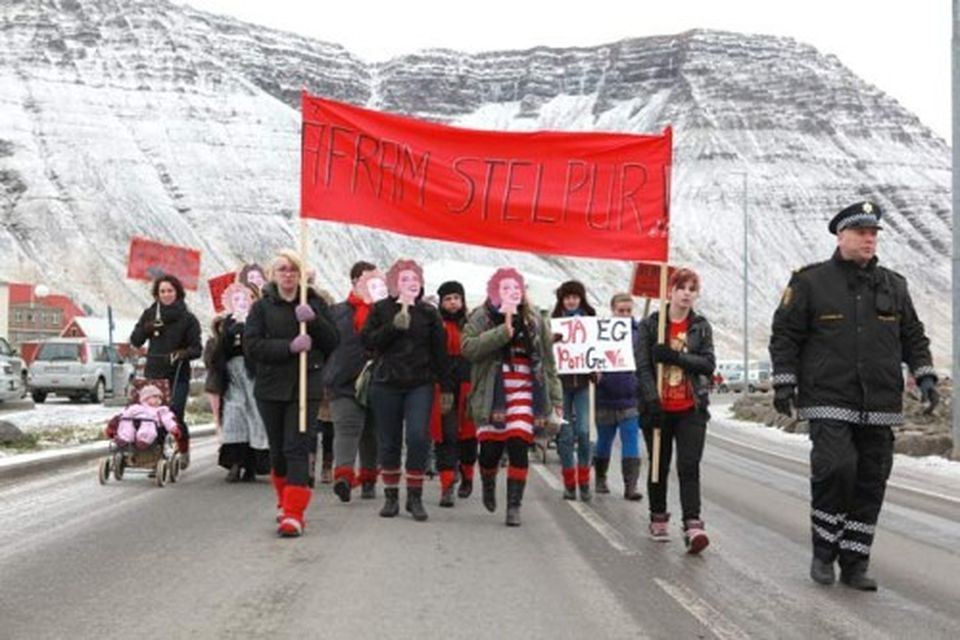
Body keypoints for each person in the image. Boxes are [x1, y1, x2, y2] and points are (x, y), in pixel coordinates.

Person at [769, 201, 938, 591]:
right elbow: (785, 335)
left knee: (870, 480)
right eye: (861, 232)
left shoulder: (894, 285)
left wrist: (924, 376)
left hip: (879, 403)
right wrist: (784, 382)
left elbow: (913, 336)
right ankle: (824, 552)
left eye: (874, 232)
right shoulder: (810, 282)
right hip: (829, 396)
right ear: (841, 235)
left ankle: (855, 561)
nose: (869, 238)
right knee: (836, 469)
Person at [244, 249, 339, 537]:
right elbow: (252, 346)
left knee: (297, 446)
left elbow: (333, 341)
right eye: (282, 269)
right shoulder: (261, 308)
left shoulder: (313, 302)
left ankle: (294, 514)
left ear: (300, 274)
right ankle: (284, 500)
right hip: (271, 387)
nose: (288, 274)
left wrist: (315, 321)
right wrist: (288, 347)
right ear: (273, 274)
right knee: (278, 451)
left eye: (293, 269)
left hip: (305, 385)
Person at [462, 267, 562, 526]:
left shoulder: (535, 320)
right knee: (490, 452)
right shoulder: (481, 316)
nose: (512, 293)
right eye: (505, 288)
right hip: (493, 392)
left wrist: (556, 400)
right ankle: (487, 479)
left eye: (516, 288)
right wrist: (501, 333)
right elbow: (468, 348)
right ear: (495, 291)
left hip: (526, 391)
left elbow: (549, 363)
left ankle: (514, 506)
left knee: (519, 445)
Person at [636, 267, 715, 554]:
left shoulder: (701, 326)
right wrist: (651, 399)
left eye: (692, 289)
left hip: (690, 406)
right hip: (657, 407)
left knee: (689, 465)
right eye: (682, 287)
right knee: (659, 463)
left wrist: (676, 357)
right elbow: (643, 366)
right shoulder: (650, 325)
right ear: (670, 290)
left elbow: (707, 364)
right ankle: (658, 516)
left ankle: (692, 523)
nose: (686, 294)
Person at [361, 259, 447, 522]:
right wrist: (392, 328)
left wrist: (445, 387)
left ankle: (415, 496)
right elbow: (367, 342)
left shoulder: (429, 314)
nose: (411, 284)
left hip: (419, 382)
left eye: (415, 279)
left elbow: (439, 352)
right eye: (404, 279)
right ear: (394, 283)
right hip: (386, 382)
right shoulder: (380, 309)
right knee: (389, 439)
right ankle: (390, 496)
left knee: (418, 436)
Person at [323, 262, 385, 503]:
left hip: (380, 380)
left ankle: (368, 479)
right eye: (368, 280)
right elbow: (325, 339)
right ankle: (344, 476)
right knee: (346, 428)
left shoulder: (387, 312)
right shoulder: (337, 312)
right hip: (344, 380)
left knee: (372, 432)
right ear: (355, 282)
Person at [130, 274, 202, 467]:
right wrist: (147, 329)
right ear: (157, 294)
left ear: (177, 292)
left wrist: (181, 353)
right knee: (152, 415)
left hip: (178, 373)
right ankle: (156, 453)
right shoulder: (150, 314)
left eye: (170, 290)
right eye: (162, 291)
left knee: (174, 413)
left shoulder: (188, 318)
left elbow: (197, 348)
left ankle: (183, 447)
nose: (166, 294)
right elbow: (135, 340)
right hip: (154, 372)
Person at [203, 283, 269, 483]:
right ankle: (234, 462)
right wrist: (227, 336)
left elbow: (263, 349)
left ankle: (252, 465)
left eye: (245, 299)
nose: (240, 303)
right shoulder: (226, 324)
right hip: (232, 376)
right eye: (236, 299)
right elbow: (216, 357)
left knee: (255, 417)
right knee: (234, 415)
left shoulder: (260, 321)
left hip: (253, 375)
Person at [431, 280, 477, 507]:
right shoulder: (436, 324)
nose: (452, 303)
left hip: (468, 385)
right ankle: (446, 484)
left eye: (456, 298)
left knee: (468, 435)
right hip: (443, 386)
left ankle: (467, 475)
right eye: (448, 299)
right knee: (446, 435)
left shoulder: (471, 324)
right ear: (441, 302)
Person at [594, 293, 643, 501]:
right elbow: (590, 357)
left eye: (628, 311)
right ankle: (600, 477)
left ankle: (630, 486)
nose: (624, 315)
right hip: (604, 396)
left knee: (631, 440)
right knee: (604, 441)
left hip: (630, 398)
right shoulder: (600, 333)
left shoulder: (640, 334)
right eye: (620, 311)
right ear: (612, 310)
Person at [552, 280, 596, 501]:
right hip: (561, 386)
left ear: (581, 299)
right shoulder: (554, 323)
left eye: (575, 297)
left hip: (582, 386)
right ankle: (570, 483)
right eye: (567, 297)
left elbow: (599, 351)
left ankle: (585, 481)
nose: (571, 301)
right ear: (562, 300)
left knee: (584, 432)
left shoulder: (590, 322)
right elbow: (546, 352)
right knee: (565, 435)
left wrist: (597, 371)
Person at [114, 384, 180, 449]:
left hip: (150, 427)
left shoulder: (161, 409)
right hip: (135, 423)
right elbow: (125, 414)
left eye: (159, 397)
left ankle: (144, 439)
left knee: (148, 422)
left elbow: (167, 419)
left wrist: (173, 428)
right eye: (155, 396)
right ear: (146, 398)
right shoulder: (137, 407)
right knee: (127, 420)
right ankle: (124, 438)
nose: (158, 400)